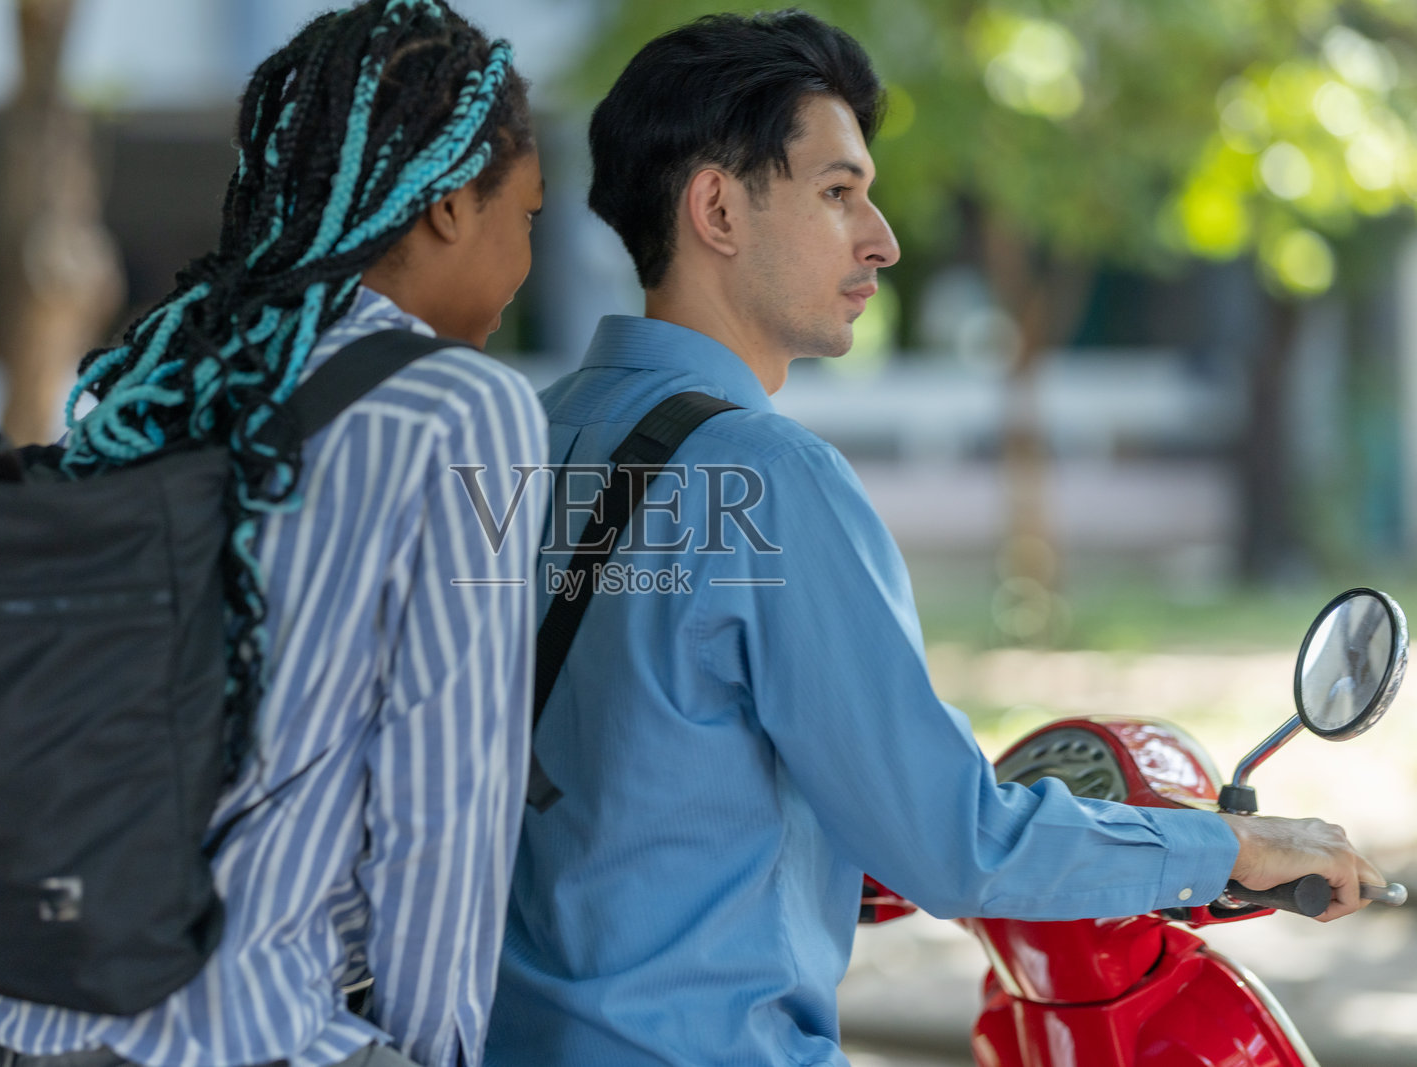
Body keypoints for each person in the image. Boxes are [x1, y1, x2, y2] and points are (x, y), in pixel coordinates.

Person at [485, 11, 1384, 1066]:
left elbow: (608, 774)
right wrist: (1226, 843)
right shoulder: (776, 479)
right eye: (836, 192)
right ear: (717, 207)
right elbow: (954, 841)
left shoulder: (514, 444)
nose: (882, 237)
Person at [0, 3, 547, 1066]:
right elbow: (447, 804)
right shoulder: (472, 412)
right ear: (444, 209)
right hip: (225, 1028)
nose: (524, 264)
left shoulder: (163, 378)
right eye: (523, 216)